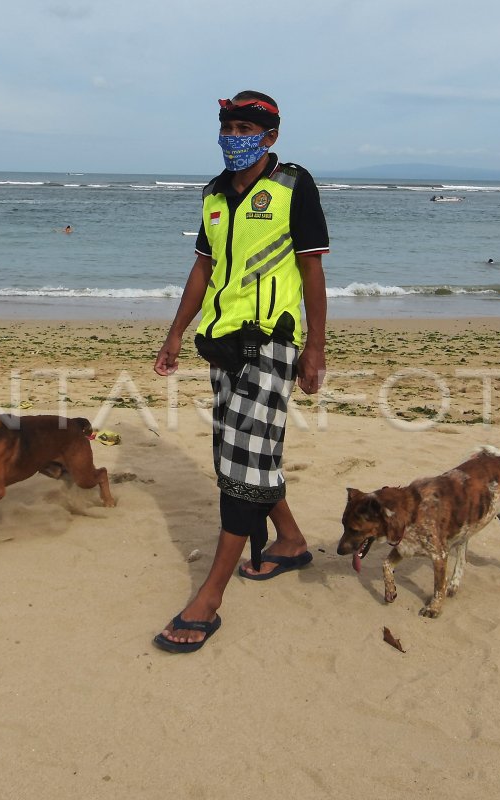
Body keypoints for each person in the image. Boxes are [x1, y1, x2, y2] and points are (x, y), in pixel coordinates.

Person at [152, 90, 330, 653]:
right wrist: (176, 332)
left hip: (273, 342)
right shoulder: (211, 194)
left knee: (242, 463)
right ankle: (292, 541)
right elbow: (203, 269)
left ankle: (210, 597)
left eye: (245, 127)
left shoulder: (293, 185)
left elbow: (311, 271)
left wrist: (316, 348)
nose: (233, 136)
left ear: (269, 137)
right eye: (227, 126)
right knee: (238, 453)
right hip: (221, 343)